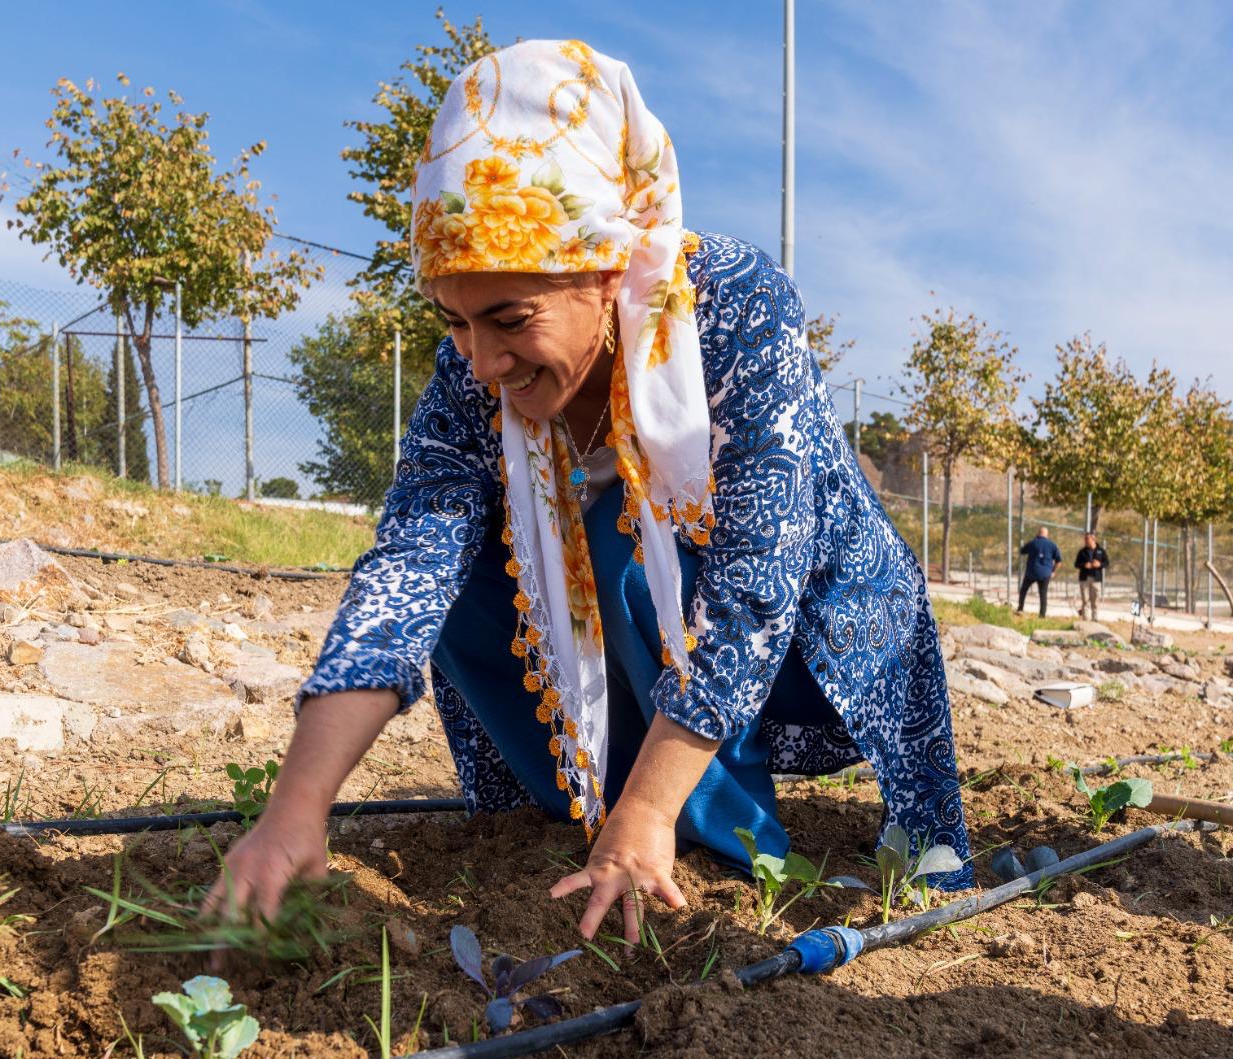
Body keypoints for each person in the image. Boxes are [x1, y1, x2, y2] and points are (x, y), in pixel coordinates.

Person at [205, 39, 973, 942]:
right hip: (641, 633)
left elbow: (760, 577)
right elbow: (406, 568)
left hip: (809, 626)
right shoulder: (472, 376)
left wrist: (646, 810)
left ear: (607, 271)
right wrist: (296, 809)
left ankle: (704, 833)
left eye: (511, 319)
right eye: (453, 321)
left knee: (634, 539)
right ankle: (586, 804)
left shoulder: (731, 304)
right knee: (463, 572)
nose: (483, 362)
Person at [1017, 527, 1062, 618]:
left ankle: (1020, 608)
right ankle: (1042, 615)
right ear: (1047, 535)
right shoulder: (1053, 545)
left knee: (1023, 590)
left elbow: (1022, 551)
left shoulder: (1033, 543)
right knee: (1043, 594)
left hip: (1031, 572)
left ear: (1038, 533)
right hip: (1045, 574)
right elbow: (1059, 561)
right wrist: (1053, 571)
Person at [1074, 531, 1108, 621]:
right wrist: (1084, 565)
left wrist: (1099, 564)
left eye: (1087, 539)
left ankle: (1095, 618)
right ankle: (1085, 619)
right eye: (1085, 539)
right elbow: (1076, 564)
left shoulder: (1101, 551)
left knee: (1095, 600)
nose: (1085, 541)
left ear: (1093, 539)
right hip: (1084, 578)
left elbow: (1106, 562)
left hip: (1096, 578)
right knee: (1085, 600)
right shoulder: (1082, 552)